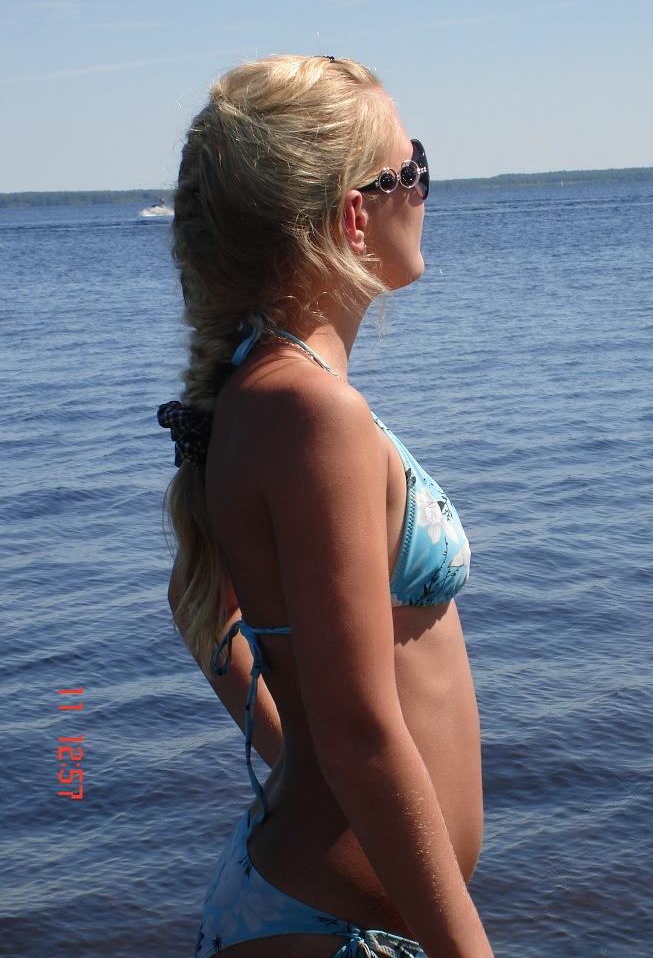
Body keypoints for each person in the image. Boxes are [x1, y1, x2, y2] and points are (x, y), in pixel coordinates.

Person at [157, 54, 493, 958]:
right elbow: (357, 733)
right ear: (353, 214)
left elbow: (202, 609)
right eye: (412, 168)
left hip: (311, 912)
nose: (424, 190)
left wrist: (299, 761)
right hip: (332, 930)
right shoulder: (313, 412)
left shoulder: (264, 391)